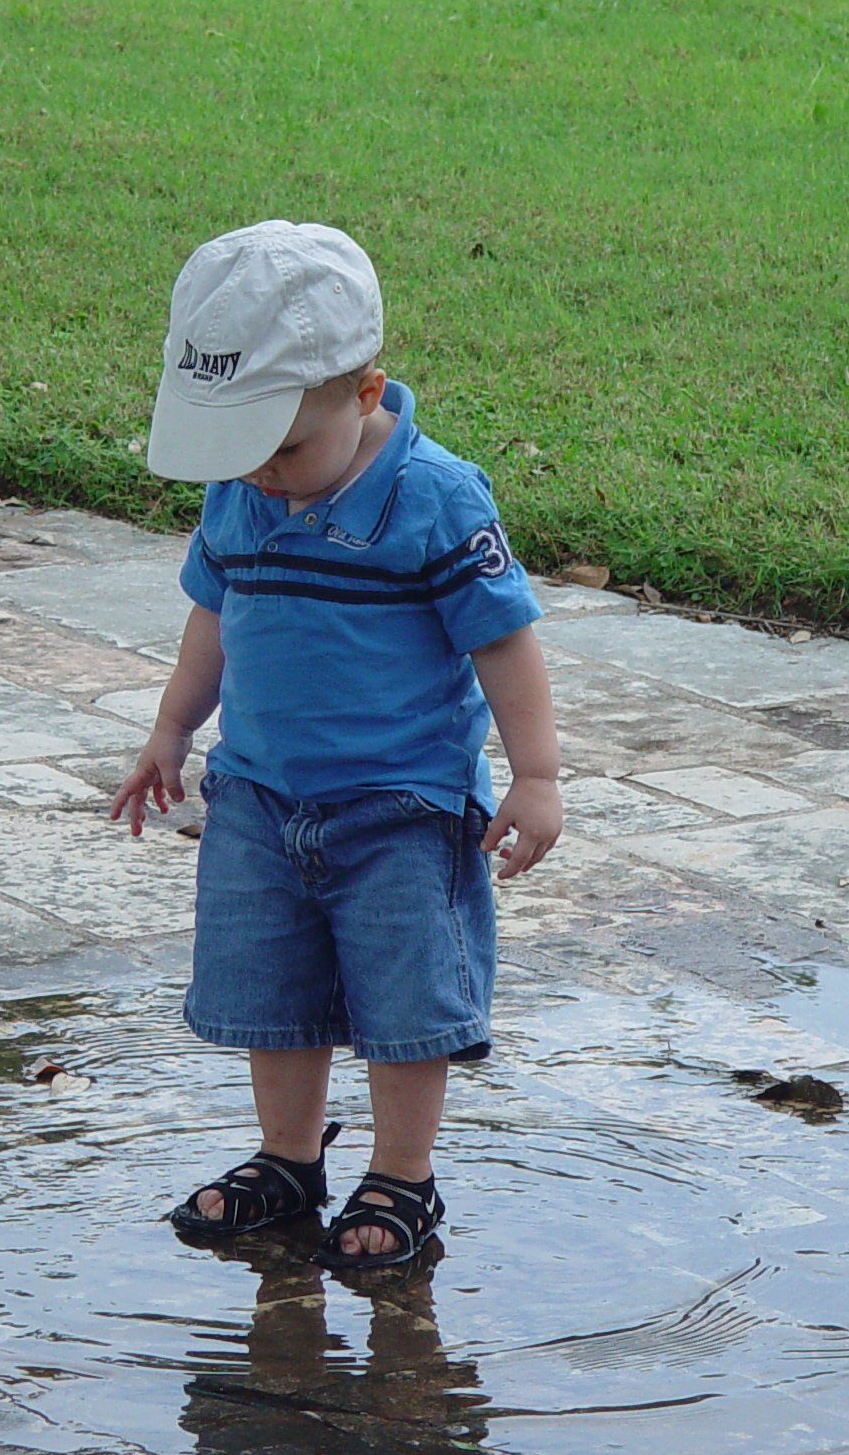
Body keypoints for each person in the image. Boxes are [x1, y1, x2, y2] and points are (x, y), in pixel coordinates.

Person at [110, 220, 563, 1270]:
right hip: (259, 801)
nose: (265, 474)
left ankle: (402, 1176)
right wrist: (172, 728)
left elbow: (502, 639)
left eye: (285, 446)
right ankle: (287, 1160)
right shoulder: (242, 489)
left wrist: (535, 775)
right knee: (274, 995)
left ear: (364, 394)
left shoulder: (436, 499)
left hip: (400, 809)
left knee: (408, 1006)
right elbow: (212, 616)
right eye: (243, 449)